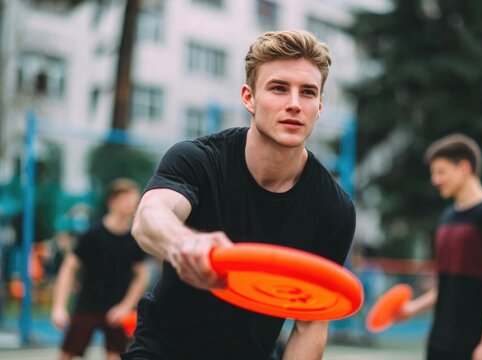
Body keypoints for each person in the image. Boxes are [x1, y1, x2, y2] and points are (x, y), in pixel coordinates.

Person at [122, 30, 356, 360]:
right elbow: (151, 216)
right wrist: (182, 243)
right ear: (249, 97)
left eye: (307, 92)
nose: (294, 103)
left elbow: (310, 325)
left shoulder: (334, 209)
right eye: (278, 88)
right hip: (162, 350)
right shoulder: (198, 158)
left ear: (319, 106)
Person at [398, 134, 482, 360]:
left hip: (475, 345)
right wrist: (412, 309)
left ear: (464, 168)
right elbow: (448, 283)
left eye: (441, 172)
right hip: (439, 342)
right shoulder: (447, 218)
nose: (435, 180)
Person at [51, 178, 149, 360]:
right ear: (113, 201)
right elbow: (68, 268)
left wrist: (125, 306)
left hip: (117, 308)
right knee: (67, 353)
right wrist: (59, 306)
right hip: (88, 304)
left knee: (116, 355)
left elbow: (142, 276)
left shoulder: (134, 239)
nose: (132, 205)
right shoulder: (93, 234)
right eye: (127, 200)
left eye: (134, 201)